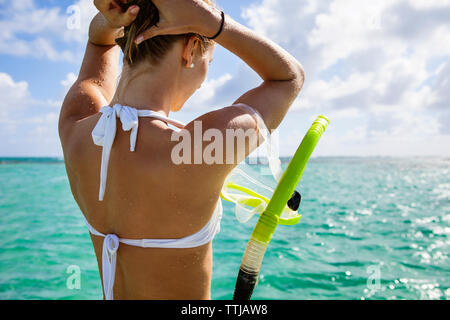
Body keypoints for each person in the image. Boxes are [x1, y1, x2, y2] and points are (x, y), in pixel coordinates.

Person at [58, 0, 304, 300]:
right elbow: (289, 77)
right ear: (190, 50)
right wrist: (214, 21)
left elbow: (98, 40)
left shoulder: (76, 128)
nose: (204, 80)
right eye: (208, 62)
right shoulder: (197, 148)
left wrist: (113, 22)